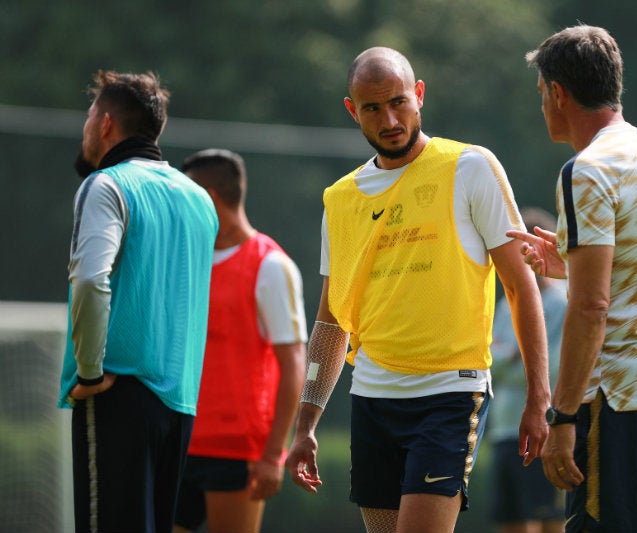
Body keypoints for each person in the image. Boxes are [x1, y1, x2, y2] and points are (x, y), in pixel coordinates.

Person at [285, 46, 551, 533]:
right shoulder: (339, 199)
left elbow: (520, 284)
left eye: (399, 102)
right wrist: (306, 422)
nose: (389, 119)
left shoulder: (470, 167)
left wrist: (539, 397)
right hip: (371, 397)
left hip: (449, 393)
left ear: (420, 95)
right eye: (372, 108)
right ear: (352, 110)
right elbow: (330, 319)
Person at [508, 25, 637, 533]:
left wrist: (563, 417)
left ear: (557, 93)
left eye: (541, 94)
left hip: (618, 402)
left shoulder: (586, 170)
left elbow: (591, 307)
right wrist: (570, 264)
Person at [58, 70, 218, 533]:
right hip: (179, 405)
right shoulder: (198, 199)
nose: (85, 127)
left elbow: (90, 280)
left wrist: (88, 371)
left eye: (89, 116)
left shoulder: (105, 184)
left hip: (115, 392)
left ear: (106, 124)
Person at [173, 149, 307, 533]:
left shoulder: (270, 265)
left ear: (209, 198)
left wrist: (271, 455)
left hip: (238, 452)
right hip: (181, 441)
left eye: (187, 199)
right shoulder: (186, 261)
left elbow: (293, 365)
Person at [489, 207, 566, 533]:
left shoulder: (561, 304)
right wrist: (512, 359)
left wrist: (511, 360)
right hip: (503, 428)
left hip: (544, 429)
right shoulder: (506, 304)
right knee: (511, 522)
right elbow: (488, 362)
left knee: (549, 522)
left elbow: (554, 370)